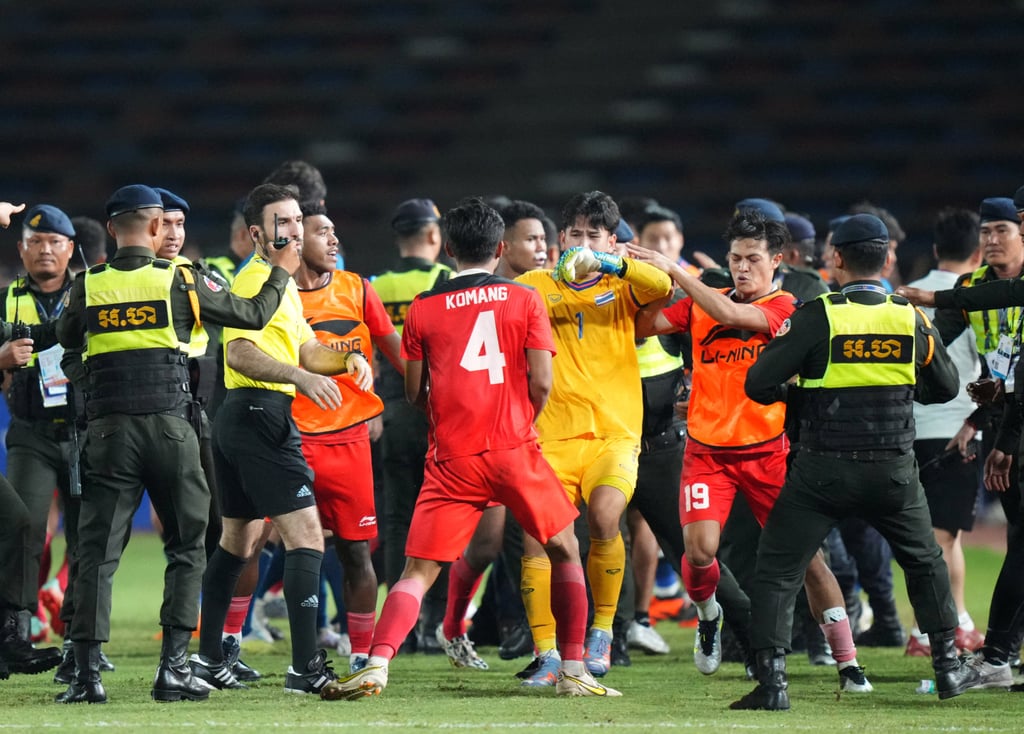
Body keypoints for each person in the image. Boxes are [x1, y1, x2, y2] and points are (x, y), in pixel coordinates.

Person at [322, 198, 620, 700]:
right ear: (500, 249)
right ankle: (574, 670)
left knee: (418, 571)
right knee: (565, 548)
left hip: (453, 455)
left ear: (449, 249)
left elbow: (414, 390)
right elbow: (542, 382)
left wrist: (448, 417)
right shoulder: (525, 299)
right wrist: (519, 419)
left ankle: (376, 664)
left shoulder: (423, 307)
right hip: (514, 446)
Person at [54, 184, 294, 704]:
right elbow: (253, 315)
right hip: (172, 429)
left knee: (96, 553)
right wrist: (280, 271)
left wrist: (94, 380)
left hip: (108, 432)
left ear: (112, 228)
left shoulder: (87, 285)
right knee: (187, 546)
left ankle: (86, 675)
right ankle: (174, 669)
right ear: (156, 226)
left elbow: (68, 343)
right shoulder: (181, 279)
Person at [734, 214, 979, 710]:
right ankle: (948, 667)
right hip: (893, 470)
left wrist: (799, 393)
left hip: (822, 471)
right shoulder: (909, 317)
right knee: (924, 561)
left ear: (837, 258)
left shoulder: (817, 315)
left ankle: (773, 683)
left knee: (778, 566)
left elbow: (758, 383)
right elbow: (945, 387)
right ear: (886, 260)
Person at [627, 209, 867, 692]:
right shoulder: (701, 303)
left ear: (776, 261)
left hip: (767, 455)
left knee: (808, 560)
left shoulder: (785, 307)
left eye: (753, 258)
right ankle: (708, 615)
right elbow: (642, 325)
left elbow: (733, 316)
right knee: (699, 553)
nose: (741, 267)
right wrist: (640, 282)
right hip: (707, 454)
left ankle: (847, 662)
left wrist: (677, 272)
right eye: (735, 258)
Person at [189, 183, 372, 697]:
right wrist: (299, 377)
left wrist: (344, 360)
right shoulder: (254, 279)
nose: (293, 230)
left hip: (243, 418)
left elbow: (308, 348)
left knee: (237, 542)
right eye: (282, 222)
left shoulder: (280, 282)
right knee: (307, 537)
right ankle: (305, 668)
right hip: (258, 416)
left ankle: (208, 660)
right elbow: (239, 353)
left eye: (296, 220)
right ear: (256, 233)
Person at [513, 191, 673, 683]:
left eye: (594, 236)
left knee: (605, 517)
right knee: (538, 541)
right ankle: (547, 652)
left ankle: (602, 631)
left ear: (610, 241)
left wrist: (611, 263)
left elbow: (664, 284)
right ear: (562, 238)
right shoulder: (534, 285)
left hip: (613, 433)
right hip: (550, 437)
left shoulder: (622, 286)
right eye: (576, 234)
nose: (582, 243)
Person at [292, 202, 402, 673]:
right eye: (322, 232)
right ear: (296, 240)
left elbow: (396, 351)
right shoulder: (278, 296)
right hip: (294, 439)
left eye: (334, 231)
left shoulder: (357, 289)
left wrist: (431, 400)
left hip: (350, 441)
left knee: (356, 550)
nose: (334, 239)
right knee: (261, 543)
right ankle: (236, 643)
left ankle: (360, 654)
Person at [903, 207, 985, 658]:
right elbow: (985, 361)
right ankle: (931, 630)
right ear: (979, 254)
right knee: (942, 538)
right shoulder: (975, 297)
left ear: (935, 250)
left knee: (933, 536)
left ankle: (954, 622)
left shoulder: (907, 297)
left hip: (906, 429)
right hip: (955, 430)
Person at [371, 198, 451, 653]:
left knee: (396, 517)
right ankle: (436, 621)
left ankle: (401, 624)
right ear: (434, 235)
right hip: (437, 412)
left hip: (390, 411)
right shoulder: (444, 282)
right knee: (444, 516)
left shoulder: (376, 286)